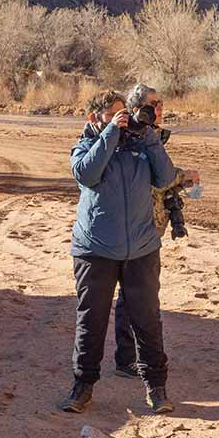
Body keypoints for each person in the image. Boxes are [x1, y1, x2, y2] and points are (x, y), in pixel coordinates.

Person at [60, 89, 179, 415]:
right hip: (94, 250)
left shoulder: (140, 145)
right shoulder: (85, 146)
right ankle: (82, 387)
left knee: (148, 321)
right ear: (93, 118)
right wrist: (111, 132)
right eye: (113, 114)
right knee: (92, 321)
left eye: (123, 113)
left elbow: (167, 178)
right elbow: (86, 173)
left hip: (140, 249)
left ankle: (156, 388)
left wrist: (151, 137)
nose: (122, 119)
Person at [110, 83, 199, 378]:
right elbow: (150, 179)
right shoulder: (130, 137)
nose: (158, 109)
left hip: (151, 227)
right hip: (135, 226)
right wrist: (180, 177)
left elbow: (160, 174)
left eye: (160, 104)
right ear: (136, 110)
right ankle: (126, 357)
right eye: (153, 104)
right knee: (131, 295)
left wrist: (179, 180)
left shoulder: (153, 136)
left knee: (142, 294)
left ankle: (135, 355)